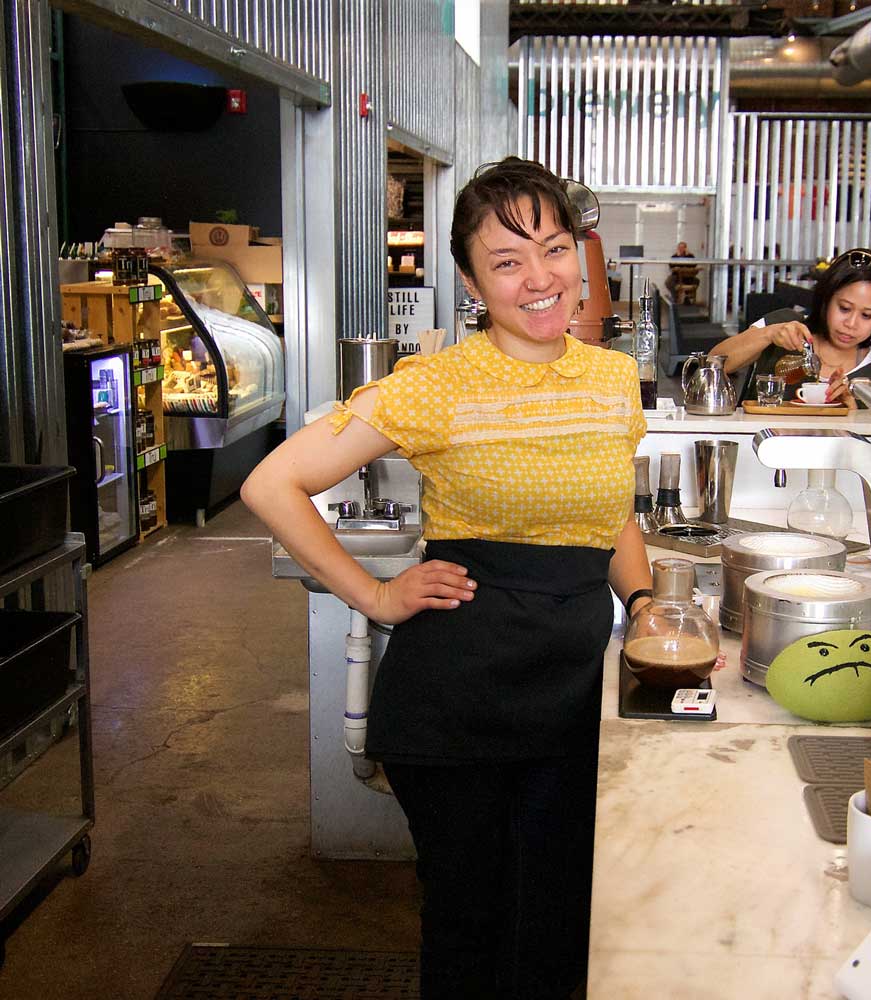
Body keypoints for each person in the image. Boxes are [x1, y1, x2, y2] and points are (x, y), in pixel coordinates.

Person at [241, 157, 650, 999]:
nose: (540, 278)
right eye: (508, 261)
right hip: (459, 698)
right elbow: (269, 484)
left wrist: (644, 603)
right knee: (471, 924)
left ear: (581, 253)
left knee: (562, 918)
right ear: (471, 279)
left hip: (575, 690)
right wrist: (377, 596)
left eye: (555, 247)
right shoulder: (435, 385)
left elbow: (611, 514)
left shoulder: (611, 378)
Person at [709, 248, 871, 406]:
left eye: (867, 315)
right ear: (826, 300)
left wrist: (850, 409)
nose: (851, 324)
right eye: (843, 308)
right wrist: (768, 334)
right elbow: (710, 367)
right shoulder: (784, 324)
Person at [665, 240, 699, 305]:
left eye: (683, 247)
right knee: (668, 282)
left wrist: (688, 255)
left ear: (685, 248)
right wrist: (677, 256)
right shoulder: (674, 256)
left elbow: (694, 265)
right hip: (676, 276)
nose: (681, 249)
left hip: (688, 277)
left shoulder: (690, 256)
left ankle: (687, 297)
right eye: (679, 248)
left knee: (697, 281)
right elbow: (671, 265)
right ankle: (675, 297)